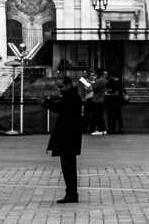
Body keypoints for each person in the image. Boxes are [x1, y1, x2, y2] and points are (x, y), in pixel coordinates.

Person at [43, 76, 83, 204]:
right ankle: (71, 193)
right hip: (70, 136)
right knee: (68, 167)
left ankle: (71, 194)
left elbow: (62, 108)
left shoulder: (71, 97)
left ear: (68, 85)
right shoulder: (71, 96)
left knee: (68, 167)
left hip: (68, 137)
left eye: (61, 87)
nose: (60, 90)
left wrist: (46, 104)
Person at [88, 69, 109, 135]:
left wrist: (89, 83)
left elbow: (91, 88)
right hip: (100, 100)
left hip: (97, 100)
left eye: (95, 74)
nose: (94, 75)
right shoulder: (103, 80)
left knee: (97, 116)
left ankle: (101, 129)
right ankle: (102, 129)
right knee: (98, 115)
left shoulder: (100, 80)